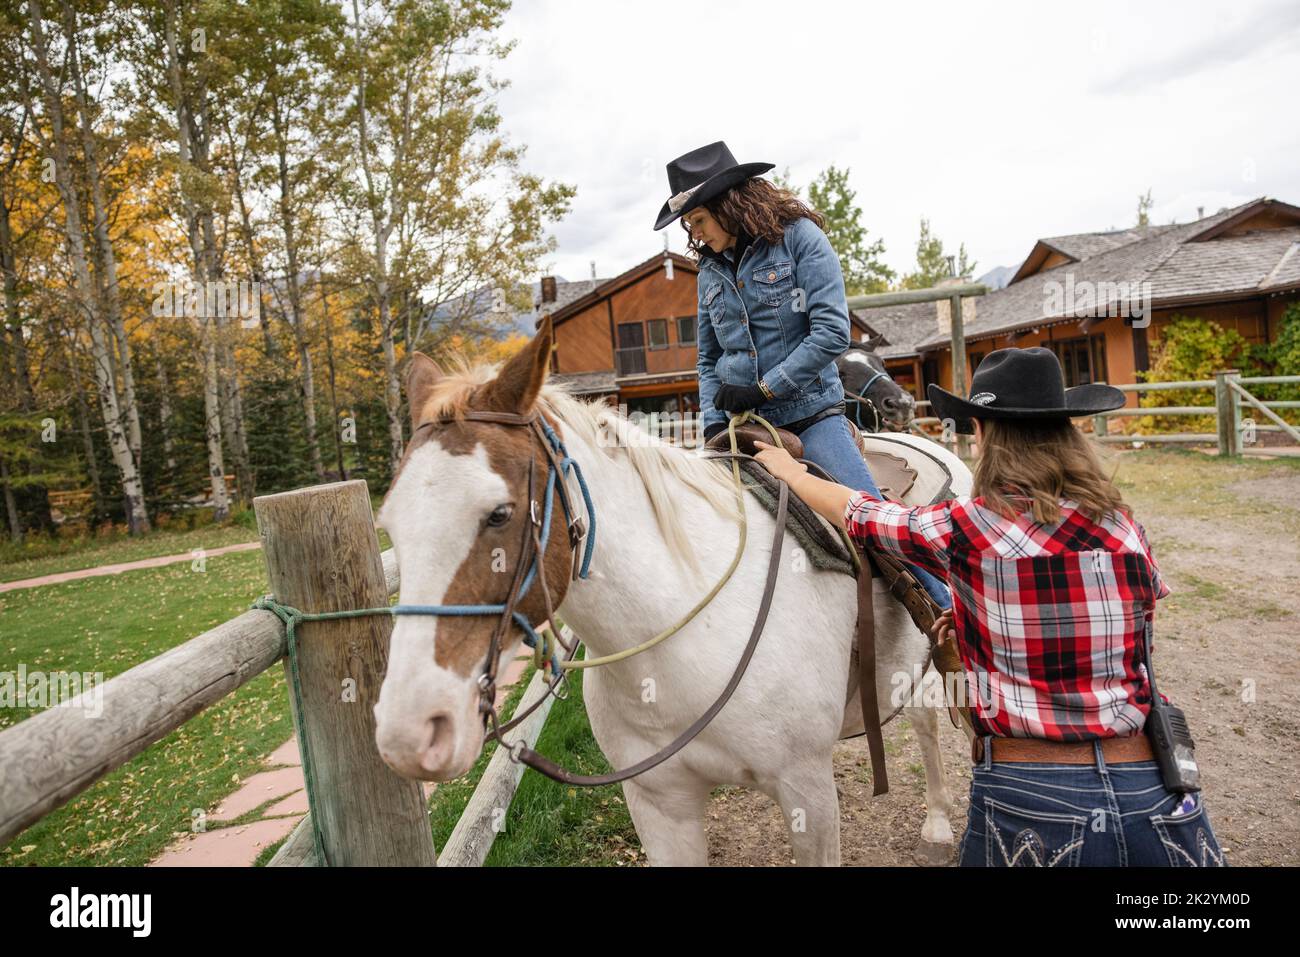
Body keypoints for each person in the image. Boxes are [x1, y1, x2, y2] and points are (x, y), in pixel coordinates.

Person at [752, 346, 1226, 867]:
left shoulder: (967, 528)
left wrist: (789, 472)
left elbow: (862, 512)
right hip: (1150, 780)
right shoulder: (1124, 528)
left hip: (1028, 791)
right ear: (1066, 431)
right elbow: (1138, 649)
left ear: (985, 435)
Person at [654, 140, 949, 607]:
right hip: (737, 425)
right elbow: (708, 359)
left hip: (810, 415)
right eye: (690, 225)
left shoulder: (800, 239)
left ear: (728, 204)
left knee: (877, 524)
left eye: (699, 221)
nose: (696, 235)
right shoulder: (709, 270)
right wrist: (712, 420)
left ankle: (953, 626)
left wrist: (765, 386)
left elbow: (832, 333)